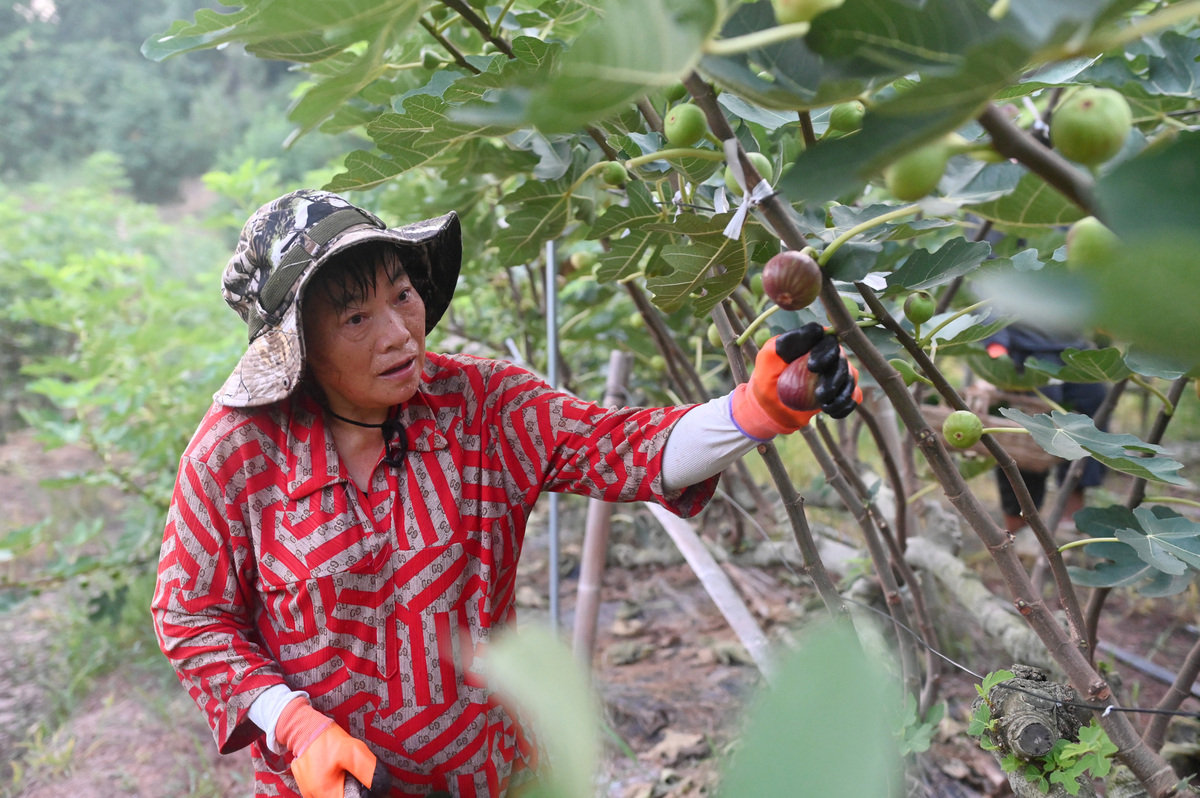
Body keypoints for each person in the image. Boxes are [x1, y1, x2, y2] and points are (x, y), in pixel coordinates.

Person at [151, 189, 859, 798]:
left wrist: (756, 409)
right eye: (356, 318)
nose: (400, 331)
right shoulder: (238, 455)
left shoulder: (482, 408)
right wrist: (293, 724)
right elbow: (190, 614)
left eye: (402, 294)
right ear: (300, 344)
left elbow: (624, 448)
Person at [973, 321, 1108, 534]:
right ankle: (1020, 527)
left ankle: (1071, 521)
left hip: (1074, 352)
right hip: (1027, 353)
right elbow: (994, 305)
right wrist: (998, 357)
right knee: (1027, 440)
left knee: (1088, 423)